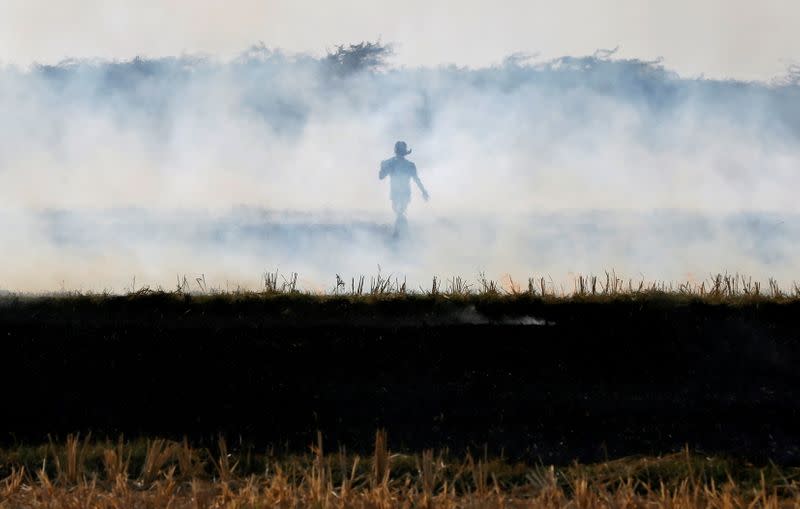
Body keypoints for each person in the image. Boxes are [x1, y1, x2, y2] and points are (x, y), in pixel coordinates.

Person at [379, 141, 429, 234]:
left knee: (399, 212)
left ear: (396, 151)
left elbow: (381, 176)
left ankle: (399, 233)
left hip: (397, 192)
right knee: (400, 212)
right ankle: (401, 233)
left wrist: (382, 167)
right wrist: (423, 191)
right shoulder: (408, 165)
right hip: (403, 193)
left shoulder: (391, 163)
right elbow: (416, 179)